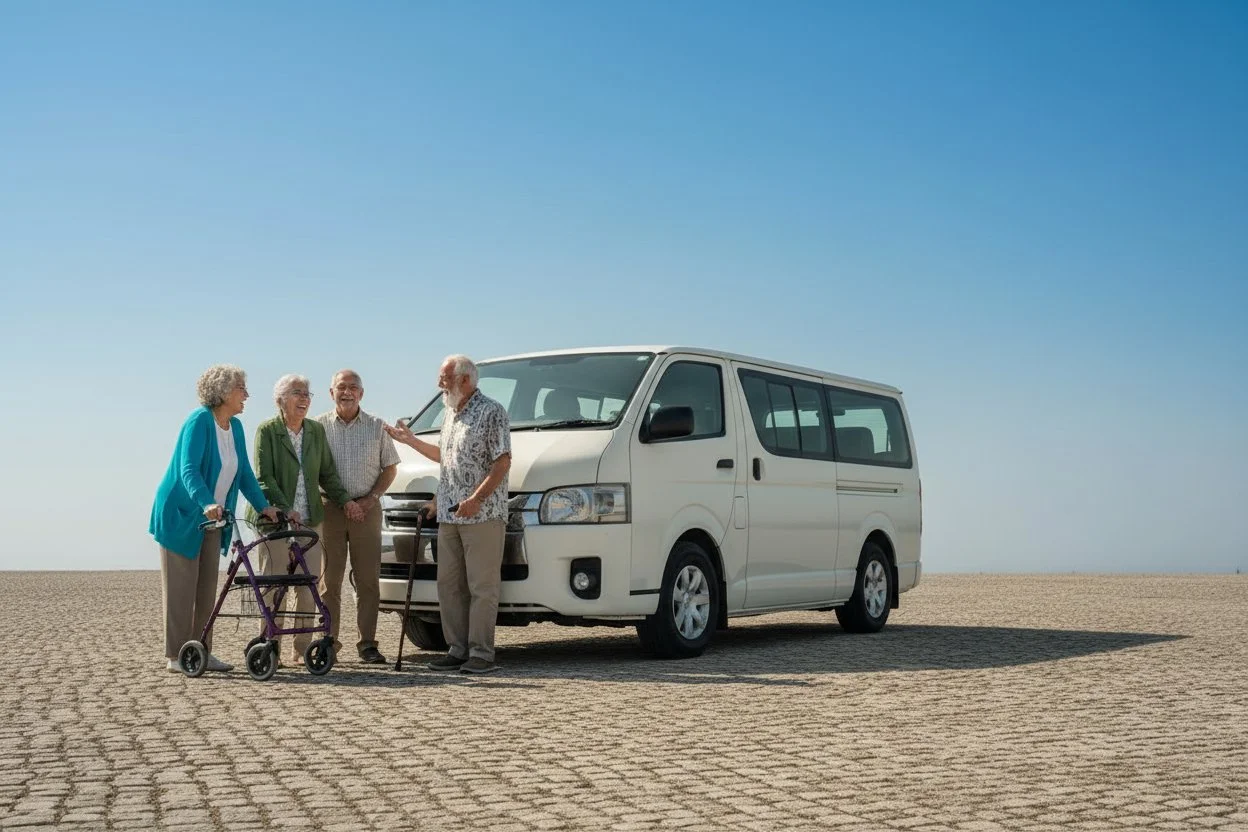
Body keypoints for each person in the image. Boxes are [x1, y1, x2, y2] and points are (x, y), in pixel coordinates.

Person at [385, 354, 511, 674]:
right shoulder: (450, 414)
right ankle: (457, 649)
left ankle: (481, 654)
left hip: (482, 514)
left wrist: (476, 499)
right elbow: (447, 459)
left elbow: (502, 462)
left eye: (444, 378)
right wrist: (411, 441)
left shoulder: (491, 411)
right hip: (450, 515)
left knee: (482, 587)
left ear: (465, 380)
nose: (439, 383)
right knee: (449, 585)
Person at [149, 364, 280, 672]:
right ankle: (176, 656)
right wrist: (206, 501)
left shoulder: (235, 427)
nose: (246, 395)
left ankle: (202, 651)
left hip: (214, 517)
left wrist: (263, 507)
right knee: (181, 589)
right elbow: (188, 470)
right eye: (241, 389)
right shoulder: (199, 421)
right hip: (183, 514)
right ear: (223, 392)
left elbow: (245, 472)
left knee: (207, 588)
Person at [248, 374, 362, 665]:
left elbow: (327, 474)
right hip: (275, 521)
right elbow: (264, 478)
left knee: (308, 585)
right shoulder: (267, 430)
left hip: (310, 519)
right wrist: (286, 509)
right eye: (297, 393)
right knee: (274, 585)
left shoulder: (314, 431)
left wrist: (346, 500)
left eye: (307, 394)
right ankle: (269, 646)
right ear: (281, 399)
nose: (304, 399)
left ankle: (302, 649)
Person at [316, 369, 400, 664]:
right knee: (329, 581)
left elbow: (390, 468)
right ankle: (328, 641)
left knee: (367, 580)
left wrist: (371, 499)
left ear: (361, 394)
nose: (347, 392)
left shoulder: (377, 426)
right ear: (331, 393)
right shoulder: (318, 427)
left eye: (353, 387)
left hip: (368, 510)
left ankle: (367, 644)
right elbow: (314, 471)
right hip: (330, 509)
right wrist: (344, 502)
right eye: (341, 387)